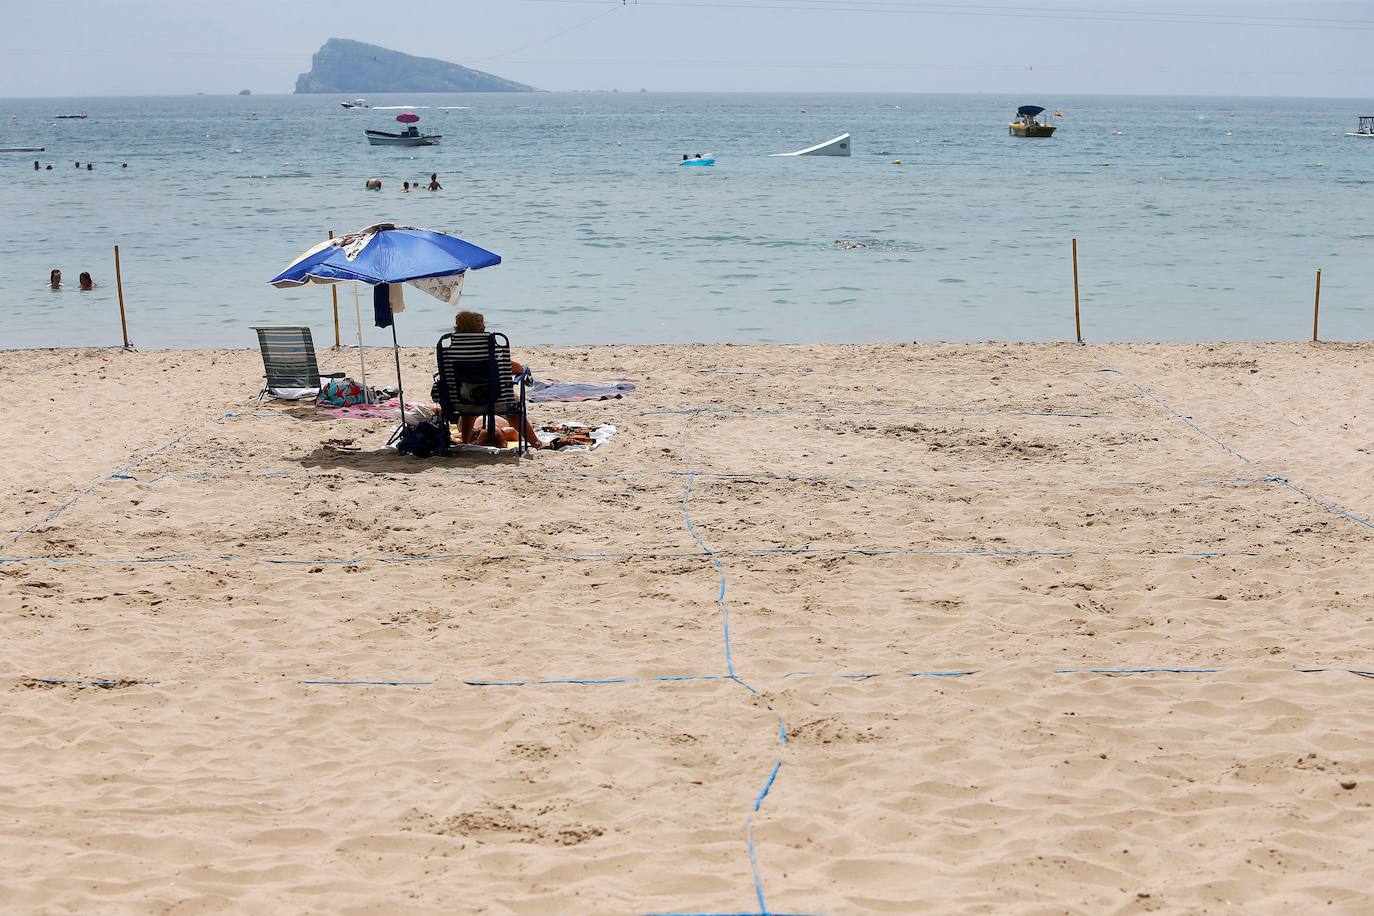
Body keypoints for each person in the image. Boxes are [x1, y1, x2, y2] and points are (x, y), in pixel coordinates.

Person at [447, 310, 550, 449]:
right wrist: (522, 370)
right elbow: (510, 367)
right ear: (480, 328)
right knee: (513, 403)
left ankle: (466, 441)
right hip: (496, 400)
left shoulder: (451, 348)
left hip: (461, 400)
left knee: (468, 398)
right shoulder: (488, 345)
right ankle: (536, 442)